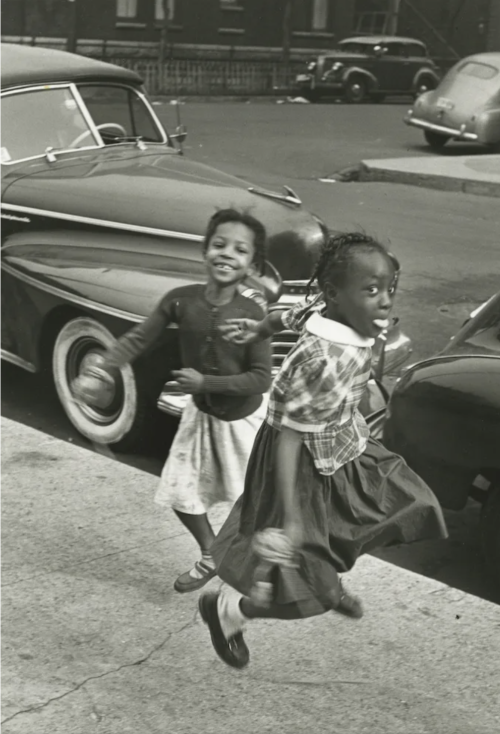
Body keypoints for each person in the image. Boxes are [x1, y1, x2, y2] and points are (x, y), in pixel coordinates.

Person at [197, 231, 448, 669]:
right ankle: (230, 612)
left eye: (389, 289)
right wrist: (292, 521)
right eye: (371, 291)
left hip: (339, 442)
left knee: (406, 501)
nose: (386, 301)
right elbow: (291, 439)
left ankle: (324, 568)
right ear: (335, 293)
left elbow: (284, 317)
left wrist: (258, 326)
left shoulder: (327, 311)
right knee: (306, 591)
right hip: (298, 464)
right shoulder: (326, 359)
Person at [72, 208, 272, 593]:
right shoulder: (180, 301)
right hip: (202, 419)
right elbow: (138, 339)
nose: (227, 254)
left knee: (256, 502)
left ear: (251, 264)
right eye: (219, 245)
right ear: (204, 251)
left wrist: (204, 380)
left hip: (244, 422)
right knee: (181, 491)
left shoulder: (251, 314)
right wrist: (101, 369)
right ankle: (213, 554)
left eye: (240, 250)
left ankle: (257, 565)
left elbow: (260, 380)